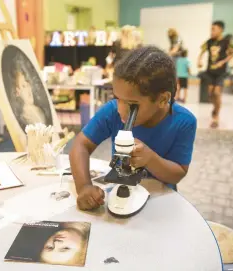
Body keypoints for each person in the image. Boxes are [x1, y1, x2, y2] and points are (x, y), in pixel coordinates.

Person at [69, 46, 197, 210]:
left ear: (163, 99)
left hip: (161, 203)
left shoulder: (184, 122)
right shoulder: (112, 111)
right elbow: (81, 145)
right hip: (121, 200)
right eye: (117, 98)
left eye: (132, 105)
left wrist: (150, 159)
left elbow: (178, 173)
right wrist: (84, 187)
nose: (121, 110)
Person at [198, 21, 233, 128]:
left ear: (221, 30)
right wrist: (199, 60)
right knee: (211, 94)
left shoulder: (227, 41)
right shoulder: (209, 42)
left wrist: (223, 62)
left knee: (217, 92)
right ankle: (215, 108)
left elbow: (232, 54)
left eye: (214, 29)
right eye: (211, 29)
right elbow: (202, 51)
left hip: (221, 72)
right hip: (210, 72)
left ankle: (216, 116)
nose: (212, 31)